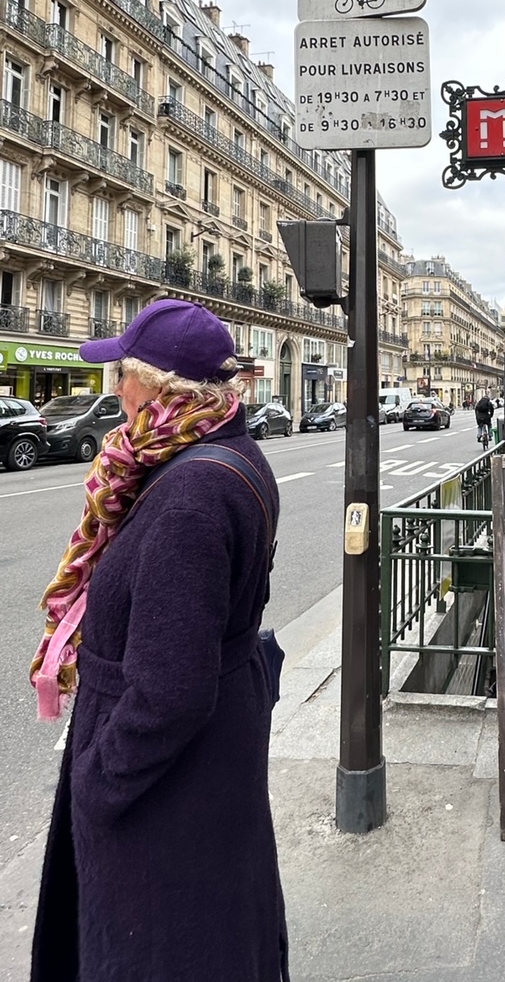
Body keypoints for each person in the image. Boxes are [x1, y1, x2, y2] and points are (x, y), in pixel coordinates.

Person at [29, 299, 289, 982]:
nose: (115, 390)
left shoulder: (191, 494)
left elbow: (170, 688)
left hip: (167, 795)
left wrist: (101, 782)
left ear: (161, 386)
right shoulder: (221, 454)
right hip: (210, 766)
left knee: (162, 949)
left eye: (124, 375)